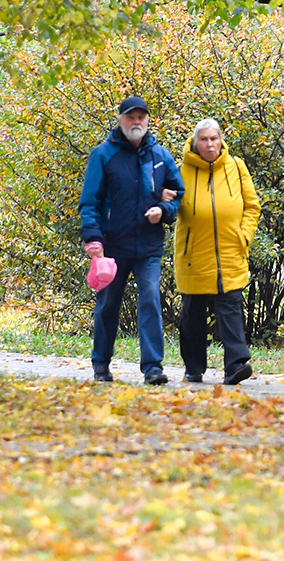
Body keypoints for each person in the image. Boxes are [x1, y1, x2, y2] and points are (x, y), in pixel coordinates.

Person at [79, 96, 184, 385]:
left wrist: (163, 210)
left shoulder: (160, 156)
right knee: (108, 304)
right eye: (130, 117)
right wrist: (93, 238)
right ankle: (101, 363)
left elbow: (179, 194)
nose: (136, 122)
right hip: (112, 246)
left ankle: (153, 368)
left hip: (149, 246)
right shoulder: (102, 155)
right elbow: (89, 201)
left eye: (141, 117)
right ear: (120, 120)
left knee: (150, 298)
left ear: (147, 121)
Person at [171, 118, 260, 385]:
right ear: (196, 143)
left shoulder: (236, 167)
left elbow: (252, 206)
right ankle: (194, 367)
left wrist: (243, 236)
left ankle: (236, 365)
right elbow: (171, 206)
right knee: (193, 313)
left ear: (220, 140)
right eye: (204, 139)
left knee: (231, 308)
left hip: (230, 251)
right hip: (193, 254)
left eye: (214, 138)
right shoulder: (181, 170)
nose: (210, 144)